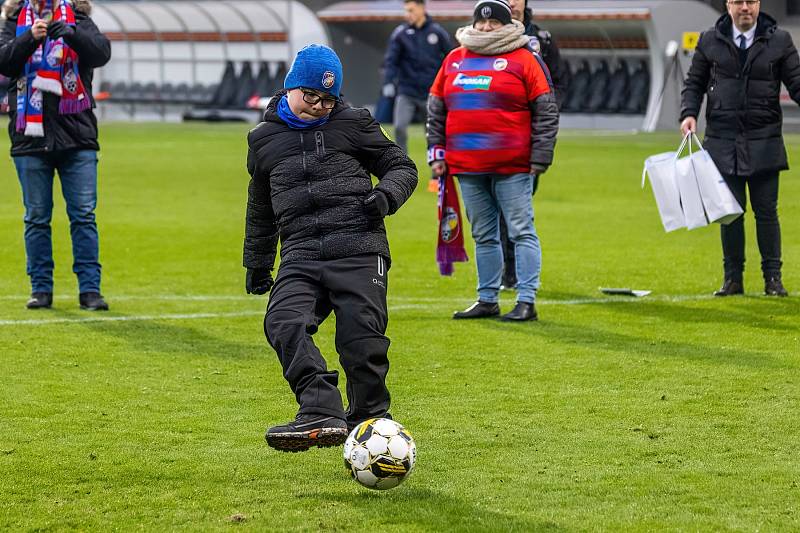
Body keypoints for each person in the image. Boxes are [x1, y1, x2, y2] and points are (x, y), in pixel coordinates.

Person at [244, 44, 418, 452]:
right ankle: (320, 408)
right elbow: (260, 206)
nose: (321, 106)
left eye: (329, 99)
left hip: (359, 247)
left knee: (362, 341)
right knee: (283, 322)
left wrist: (386, 195)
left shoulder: (354, 123)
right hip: (301, 254)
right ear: (292, 87)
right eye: (313, 97)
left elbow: (401, 166)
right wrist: (256, 262)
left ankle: (371, 425)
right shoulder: (262, 139)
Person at [426, 0, 559, 321]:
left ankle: (525, 300)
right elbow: (436, 108)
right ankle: (487, 298)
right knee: (483, 234)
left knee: (520, 230)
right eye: (481, 23)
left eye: (494, 23)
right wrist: (437, 153)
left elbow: (546, 110)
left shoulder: (526, 59)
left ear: (507, 25)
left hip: (513, 164)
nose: (486, 28)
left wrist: (540, 157)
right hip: (467, 166)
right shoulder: (454, 59)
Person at [681, 0, 800, 297]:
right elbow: (694, 83)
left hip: (765, 141)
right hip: (722, 142)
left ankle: (773, 278)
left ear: (758, 4)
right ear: (728, 5)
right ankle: (732, 279)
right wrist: (689, 113)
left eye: (751, 1)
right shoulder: (709, 39)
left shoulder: (780, 40)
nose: (745, 7)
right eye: (738, 2)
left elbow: (797, 84)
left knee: (767, 213)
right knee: (729, 213)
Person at [0, 0, 111, 310]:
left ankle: (90, 291)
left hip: (77, 138)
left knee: (83, 217)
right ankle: (41, 290)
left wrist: (72, 34)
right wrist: (29, 37)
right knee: (36, 217)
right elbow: (4, 61)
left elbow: (101, 52)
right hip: (30, 139)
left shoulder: (76, 17)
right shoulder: (13, 21)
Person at [500, 0, 570, 289]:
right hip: (493, 137)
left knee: (518, 207)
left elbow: (561, 82)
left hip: (528, 140)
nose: (513, 1)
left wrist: (547, 113)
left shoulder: (542, 40)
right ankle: (506, 272)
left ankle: (515, 272)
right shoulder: (482, 38)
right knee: (495, 210)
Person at [382, 0, 452, 155]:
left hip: (430, 92)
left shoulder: (437, 32)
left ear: (422, 8)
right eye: (406, 11)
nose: (408, 15)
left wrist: (449, 82)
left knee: (433, 133)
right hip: (406, 91)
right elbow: (391, 61)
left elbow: (450, 59)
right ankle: (402, 165)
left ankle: (436, 166)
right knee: (399, 127)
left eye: (411, 10)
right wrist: (388, 82)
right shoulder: (400, 34)